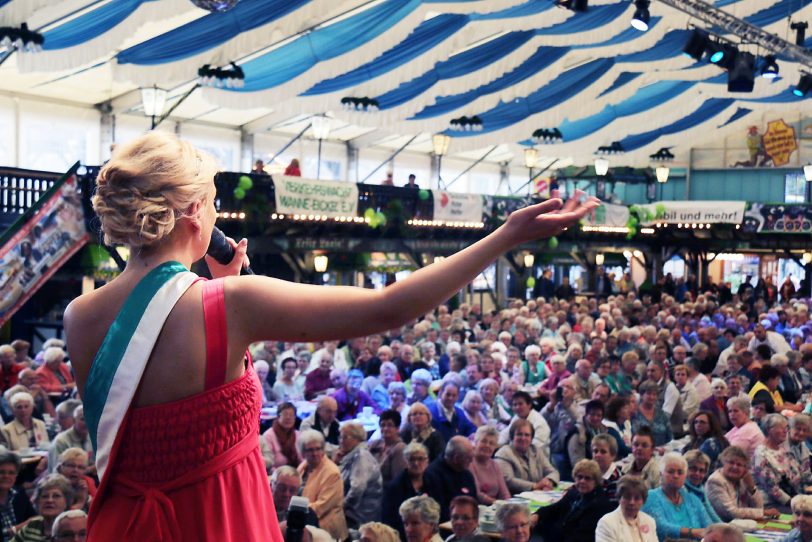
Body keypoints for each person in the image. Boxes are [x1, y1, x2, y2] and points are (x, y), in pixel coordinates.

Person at [62, 132, 595, 540]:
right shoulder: (229, 303)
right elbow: (390, 306)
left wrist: (219, 299)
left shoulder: (79, 316)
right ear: (196, 212)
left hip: (123, 524)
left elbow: (145, 416)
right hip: (217, 522)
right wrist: (505, 236)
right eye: (212, 199)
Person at [532, 459, 614, 542]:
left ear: (596, 481)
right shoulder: (573, 493)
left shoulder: (600, 505)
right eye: (579, 477)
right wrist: (537, 515)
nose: (582, 481)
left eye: (587, 478)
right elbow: (555, 508)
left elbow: (581, 536)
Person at [641, 452, 713, 541]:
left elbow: (709, 526)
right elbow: (659, 527)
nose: (675, 476)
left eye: (680, 472)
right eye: (670, 471)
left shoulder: (692, 499)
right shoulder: (650, 497)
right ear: (661, 474)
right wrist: (693, 532)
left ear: (685, 476)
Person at [297, 430, 347, 541]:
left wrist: (294, 509)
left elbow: (321, 507)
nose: (315, 453)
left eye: (318, 449)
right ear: (302, 452)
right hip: (305, 521)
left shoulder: (332, 472)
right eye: (310, 450)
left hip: (324, 528)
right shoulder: (304, 465)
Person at [706, 445, 779, 521]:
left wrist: (751, 487)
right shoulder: (715, 481)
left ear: (745, 468)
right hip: (723, 525)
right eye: (731, 463)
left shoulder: (743, 479)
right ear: (723, 462)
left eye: (739, 465)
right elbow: (731, 513)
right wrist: (764, 512)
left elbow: (759, 507)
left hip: (741, 523)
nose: (735, 467)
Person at [495, 418, 559, 493]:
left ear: (531, 438)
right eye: (519, 434)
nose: (523, 438)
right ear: (512, 437)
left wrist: (549, 481)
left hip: (538, 497)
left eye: (527, 435)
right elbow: (508, 480)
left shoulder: (536, 450)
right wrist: (534, 486)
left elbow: (553, 472)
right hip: (515, 500)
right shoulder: (503, 453)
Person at [382, 443, 431, 541]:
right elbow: (392, 520)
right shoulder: (396, 486)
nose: (416, 463)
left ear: (427, 461)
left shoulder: (432, 481)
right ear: (406, 462)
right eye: (412, 459)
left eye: (420, 459)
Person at [337, 422, 382, 528]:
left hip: (360, 516)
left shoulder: (362, 457)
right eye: (340, 437)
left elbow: (357, 488)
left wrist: (341, 506)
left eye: (345, 437)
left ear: (357, 438)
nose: (341, 441)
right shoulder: (353, 455)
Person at [423, 437, 478, 522]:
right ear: (456, 458)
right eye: (468, 458)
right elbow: (438, 510)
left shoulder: (467, 475)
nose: (471, 461)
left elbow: (474, 502)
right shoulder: (432, 475)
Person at [753, 413, 802, 507]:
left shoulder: (782, 450)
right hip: (772, 504)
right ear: (769, 430)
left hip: (793, 497)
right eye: (781, 428)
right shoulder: (761, 454)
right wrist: (793, 503)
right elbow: (771, 488)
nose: (785, 431)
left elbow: (797, 474)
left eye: (786, 428)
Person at [595, 475, 658, 542]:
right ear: (619, 498)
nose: (632, 502)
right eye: (627, 497)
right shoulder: (607, 523)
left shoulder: (649, 521)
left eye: (637, 498)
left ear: (643, 501)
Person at [12, 474, 73, 542]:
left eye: (56, 496)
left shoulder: (73, 528)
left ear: (66, 502)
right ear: (38, 502)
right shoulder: (32, 525)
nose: (49, 500)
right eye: (45, 496)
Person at [499, 391, 551, 456]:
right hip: (515, 453)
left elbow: (535, 447)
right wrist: (494, 444)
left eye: (520, 404)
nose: (517, 407)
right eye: (515, 405)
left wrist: (510, 452)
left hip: (536, 458)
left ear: (529, 405)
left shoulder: (539, 423)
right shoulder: (517, 417)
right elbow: (506, 434)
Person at [469, 425, 510, 505]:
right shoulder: (469, 463)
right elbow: (477, 494)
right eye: (483, 441)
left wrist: (508, 504)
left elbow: (504, 493)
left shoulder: (494, 464)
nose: (487, 445)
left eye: (491, 443)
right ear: (476, 442)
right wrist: (497, 503)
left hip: (495, 507)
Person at [0, 450, 35, 540]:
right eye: (1, 472)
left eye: (11, 473)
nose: (6, 476)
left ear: (16, 476)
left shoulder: (19, 494)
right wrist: (14, 530)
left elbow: (33, 518)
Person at [48, 405, 91, 474]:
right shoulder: (61, 441)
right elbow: (57, 471)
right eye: (83, 419)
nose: (87, 423)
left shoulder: (94, 438)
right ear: (74, 421)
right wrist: (89, 470)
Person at [368, 410, 407, 485]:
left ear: (397, 428)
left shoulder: (399, 448)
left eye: (389, 425)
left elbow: (397, 480)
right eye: (383, 425)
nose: (385, 428)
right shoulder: (376, 443)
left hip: (384, 490)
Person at [682, 450, 721, 523]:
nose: (697, 474)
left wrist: (724, 528)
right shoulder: (681, 489)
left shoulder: (700, 490)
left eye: (701, 471)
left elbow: (711, 514)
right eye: (693, 469)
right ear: (684, 468)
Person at [261, 402, 300, 471]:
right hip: (276, 473)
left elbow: (303, 458)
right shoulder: (268, 435)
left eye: (291, 415)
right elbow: (269, 463)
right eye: (285, 414)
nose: (288, 418)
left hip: (298, 471)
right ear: (278, 417)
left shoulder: (298, 434)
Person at [631, 381, 673, 447]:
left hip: (662, 451)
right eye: (649, 394)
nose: (652, 397)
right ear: (641, 395)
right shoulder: (634, 414)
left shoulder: (661, 414)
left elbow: (670, 437)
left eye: (654, 394)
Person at [591, 434, 623, 500]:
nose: (598, 455)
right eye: (595, 451)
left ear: (613, 455)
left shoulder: (617, 480)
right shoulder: (589, 472)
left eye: (603, 452)